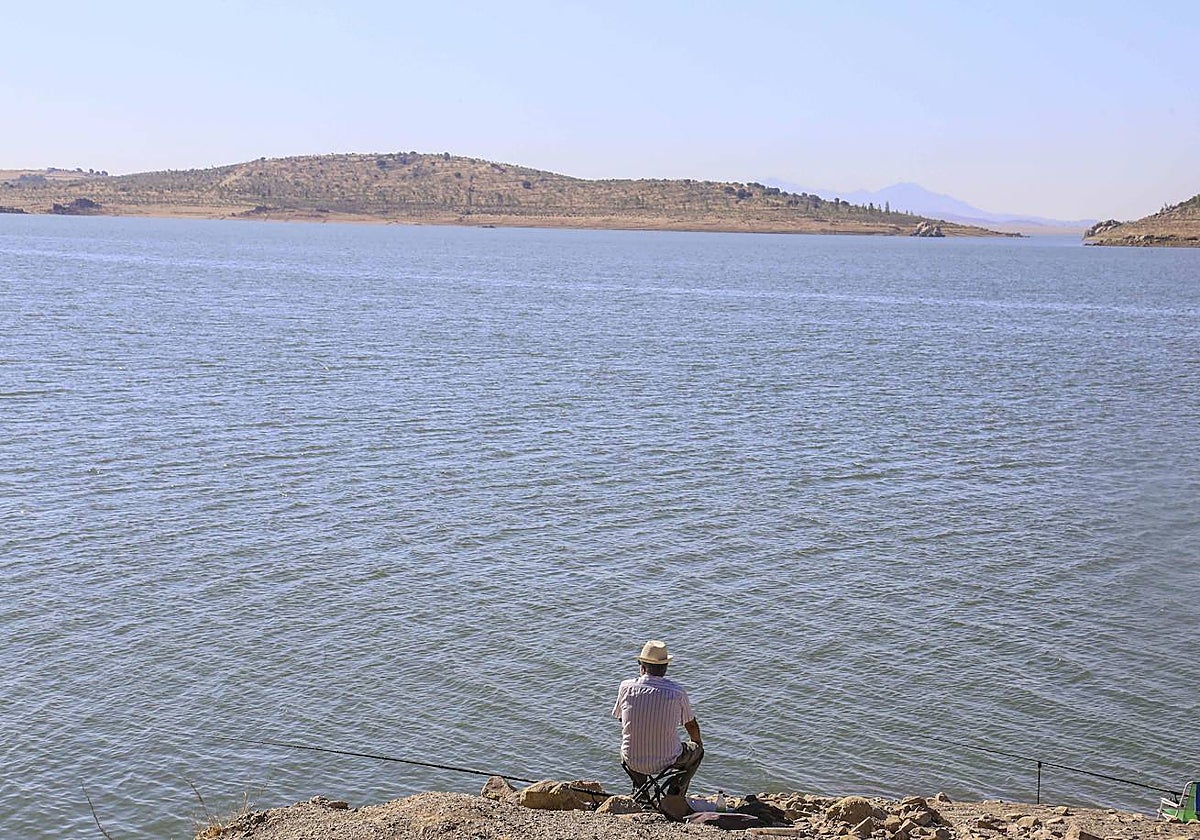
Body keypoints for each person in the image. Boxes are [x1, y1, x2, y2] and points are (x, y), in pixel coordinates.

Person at [612, 639, 704, 797]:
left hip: (632, 759)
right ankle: (675, 794)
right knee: (698, 752)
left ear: (642, 667)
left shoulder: (625, 687)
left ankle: (642, 793)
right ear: (665, 668)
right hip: (668, 760)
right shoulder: (677, 692)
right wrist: (697, 742)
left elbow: (622, 719)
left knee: (626, 749)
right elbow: (691, 726)